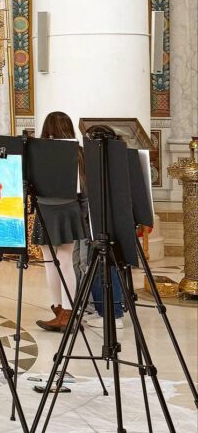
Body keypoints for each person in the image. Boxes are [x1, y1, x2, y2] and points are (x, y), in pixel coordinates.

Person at [34, 112, 88, 334]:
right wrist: (83, 212)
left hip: (45, 208)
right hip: (68, 208)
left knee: (50, 261)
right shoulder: (77, 152)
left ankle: (60, 310)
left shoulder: (38, 152)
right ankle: (65, 311)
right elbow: (84, 187)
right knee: (65, 260)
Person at [81, 124, 125, 330]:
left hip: (105, 222)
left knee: (105, 266)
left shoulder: (107, 164)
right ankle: (104, 311)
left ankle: (113, 314)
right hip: (104, 220)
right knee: (100, 265)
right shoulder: (115, 162)